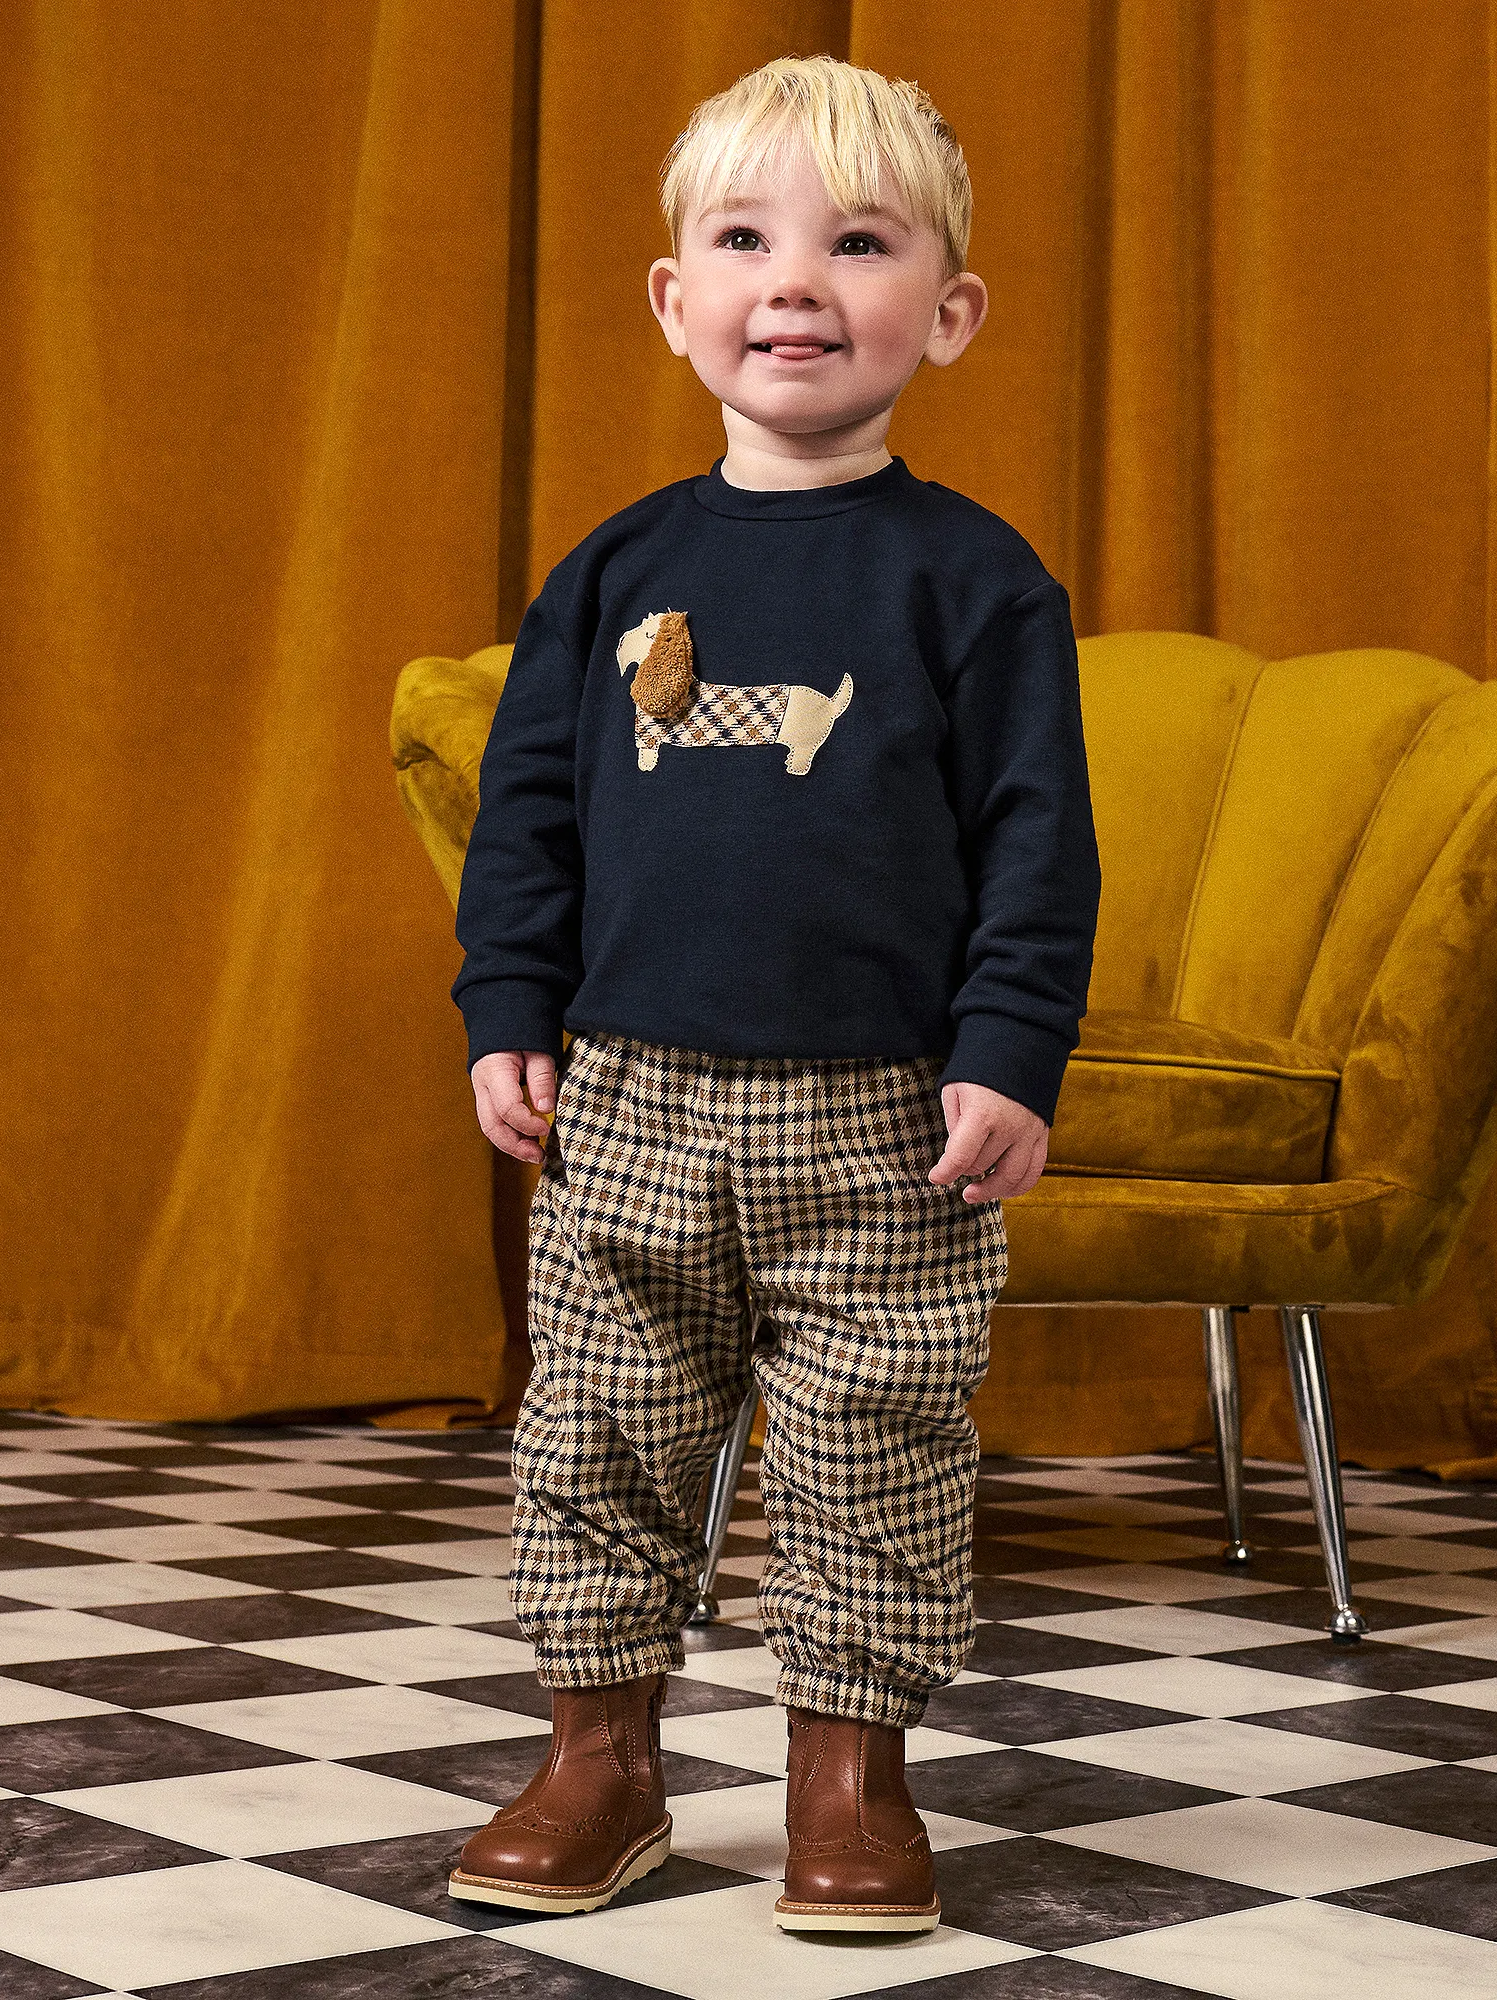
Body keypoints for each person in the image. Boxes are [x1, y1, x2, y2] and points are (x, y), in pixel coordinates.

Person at [444, 53, 1100, 1935]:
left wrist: (1007, 1058)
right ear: (677, 298)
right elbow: (533, 816)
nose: (793, 283)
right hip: (627, 1096)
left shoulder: (979, 585)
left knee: (874, 1444)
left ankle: (851, 1785)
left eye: (858, 243)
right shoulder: (618, 573)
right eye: (744, 239)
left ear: (947, 313)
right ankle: (601, 1761)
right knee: (598, 1435)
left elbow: (1038, 848)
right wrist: (509, 1009)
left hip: (883, 1119)